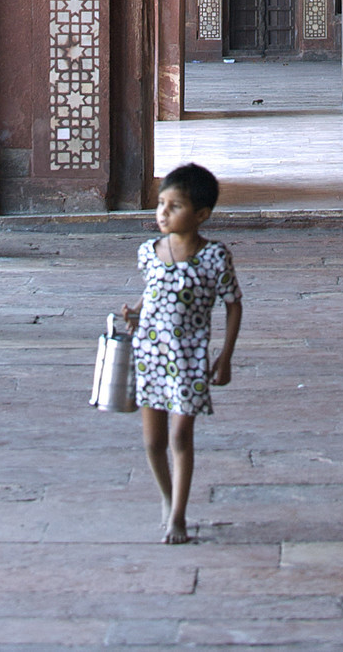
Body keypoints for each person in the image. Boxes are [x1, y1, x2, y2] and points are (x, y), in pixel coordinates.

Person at [121, 161, 242, 544]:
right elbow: (153, 290)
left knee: (180, 438)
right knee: (152, 442)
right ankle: (166, 495)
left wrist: (225, 356)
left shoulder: (214, 257)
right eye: (161, 204)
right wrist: (135, 312)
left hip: (189, 360)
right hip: (150, 356)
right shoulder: (149, 252)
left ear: (201, 215)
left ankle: (178, 515)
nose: (163, 212)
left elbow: (233, 304)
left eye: (174, 206)